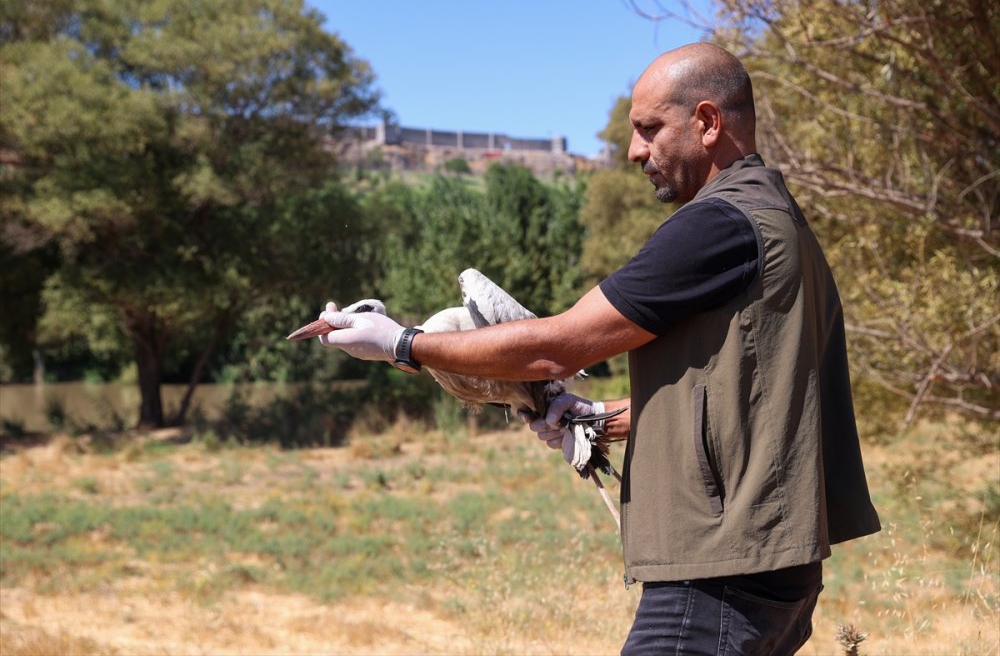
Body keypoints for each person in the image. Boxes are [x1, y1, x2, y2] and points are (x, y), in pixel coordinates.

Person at [315, 42, 881, 655]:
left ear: (708, 122)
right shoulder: (780, 218)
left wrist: (403, 343)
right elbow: (751, 395)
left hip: (719, 573)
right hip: (771, 564)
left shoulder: (718, 226)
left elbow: (559, 347)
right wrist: (601, 418)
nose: (634, 151)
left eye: (649, 130)